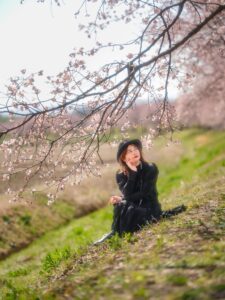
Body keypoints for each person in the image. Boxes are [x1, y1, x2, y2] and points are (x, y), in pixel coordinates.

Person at [93, 138, 187, 245]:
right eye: (130, 151)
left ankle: (115, 233)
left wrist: (122, 198)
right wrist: (132, 173)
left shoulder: (150, 168)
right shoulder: (120, 175)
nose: (134, 152)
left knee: (123, 203)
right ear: (124, 158)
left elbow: (144, 193)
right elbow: (127, 193)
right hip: (132, 207)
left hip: (149, 209)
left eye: (135, 149)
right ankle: (114, 232)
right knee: (121, 204)